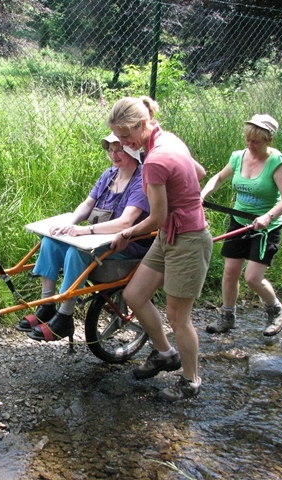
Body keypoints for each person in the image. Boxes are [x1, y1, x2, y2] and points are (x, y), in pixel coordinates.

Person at [108, 96, 212, 402]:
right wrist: (184, 190)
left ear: (142, 125)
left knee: (179, 317)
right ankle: (165, 354)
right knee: (134, 295)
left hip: (189, 239)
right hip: (170, 235)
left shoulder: (153, 161)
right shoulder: (168, 139)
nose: (123, 143)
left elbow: (157, 217)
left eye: (126, 136)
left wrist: (127, 233)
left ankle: (191, 381)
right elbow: (200, 172)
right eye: (117, 137)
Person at [17, 133, 151, 341]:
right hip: (97, 240)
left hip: (124, 245)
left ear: (132, 150)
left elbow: (126, 222)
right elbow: (88, 204)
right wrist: (69, 224)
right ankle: (47, 306)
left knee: (75, 252)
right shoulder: (110, 175)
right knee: (50, 242)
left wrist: (85, 231)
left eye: (119, 150)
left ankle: (65, 316)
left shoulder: (141, 181)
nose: (114, 155)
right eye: (110, 149)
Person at [201, 114, 282, 337]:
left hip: (266, 227)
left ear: (269, 140)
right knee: (230, 272)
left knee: (252, 278)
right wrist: (203, 194)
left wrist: (268, 217)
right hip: (240, 221)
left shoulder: (277, 162)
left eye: (256, 142)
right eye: (248, 140)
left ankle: (276, 310)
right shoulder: (238, 157)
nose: (250, 145)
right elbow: (219, 177)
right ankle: (227, 317)